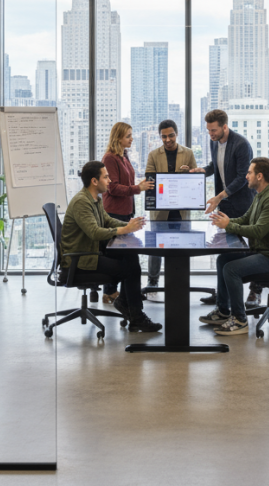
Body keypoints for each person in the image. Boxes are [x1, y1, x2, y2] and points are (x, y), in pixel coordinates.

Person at [60, 161, 161, 333]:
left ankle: (125, 303)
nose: (109, 180)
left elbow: (106, 221)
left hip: (90, 253)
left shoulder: (94, 199)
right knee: (130, 269)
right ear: (94, 181)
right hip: (81, 261)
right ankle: (136, 317)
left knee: (131, 257)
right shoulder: (81, 203)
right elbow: (94, 232)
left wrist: (129, 225)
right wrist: (125, 229)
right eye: (106, 177)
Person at [199, 157, 269, 336]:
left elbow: (258, 231)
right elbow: (245, 219)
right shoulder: (260, 196)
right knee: (223, 260)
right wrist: (224, 221)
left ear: (259, 176)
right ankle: (223, 311)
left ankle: (240, 320)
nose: (246, 176)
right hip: (262, 251)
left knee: (231, 269)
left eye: (249, 172)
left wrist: (228, 225)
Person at [186, 109, 256, 305]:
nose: (211, 134)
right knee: (226, 251)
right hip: (225, 204)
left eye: (214, 130)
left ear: (225, 126)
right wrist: (203, 171)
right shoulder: (213, 142)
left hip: (242, 203)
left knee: (251, 247)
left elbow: (243, 177)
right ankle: (223, 296)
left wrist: (219, 196)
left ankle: (254, 291)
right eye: (208, 131)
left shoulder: (241, 145)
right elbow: (216, 166)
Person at [100, 121, 153, 304]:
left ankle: (127, 293)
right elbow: (112, 188)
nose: (132, 139)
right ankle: (110, 292)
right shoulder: (110, 158)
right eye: (128, 136)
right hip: (114, 213)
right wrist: (138, 188)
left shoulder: (124, 156)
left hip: (126, 211)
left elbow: (127, 182)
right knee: (117, 255)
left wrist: (139, 184)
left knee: (127, 255)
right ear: (118, 138)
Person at [143, 119, 197, 292]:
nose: (167, 140)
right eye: (164, 136)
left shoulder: (188, 153)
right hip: (161, 210)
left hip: (181, 210)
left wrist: (186, 176)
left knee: (182, 247)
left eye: (171, 135)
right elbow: (151, 182)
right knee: (156, 246)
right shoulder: (153, 155)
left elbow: (194, 178)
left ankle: (181, 279)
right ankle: (153, 281)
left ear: (177, 134)